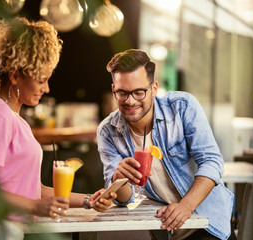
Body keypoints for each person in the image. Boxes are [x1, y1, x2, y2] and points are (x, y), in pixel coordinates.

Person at [0, 17, 116, 240]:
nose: (46, 88)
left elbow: (32, 189)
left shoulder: (15, 119)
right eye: (41, 80)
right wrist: (33, 206)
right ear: (15, 75)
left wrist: (89, 200)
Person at [97, 49, 235, 240]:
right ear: (114, 90)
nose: (130, 101)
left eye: (138, 92)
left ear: (154, 88)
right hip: (163, 229)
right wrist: (118, 180)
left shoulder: (182, 107)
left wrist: (186, 206)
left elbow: (212, 162)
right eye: (122, 93)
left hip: (207, 225)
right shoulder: (108, 131)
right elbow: (125, 199)